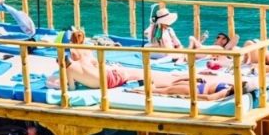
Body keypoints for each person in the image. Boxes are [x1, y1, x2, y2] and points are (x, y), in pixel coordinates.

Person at [46, 29, 182, 90]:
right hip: (111, 74)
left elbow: (71, 87)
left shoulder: (71, 66)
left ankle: (178, 80)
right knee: (144, 74)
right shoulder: (87, 50)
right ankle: (179, 78)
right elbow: (96, 64)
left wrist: (57, 86)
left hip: (106, 81)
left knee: (147, 79)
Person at [146, 77, 254, 100]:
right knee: (172, 85)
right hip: (201, 85)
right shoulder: (230, 87)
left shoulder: (225, 92)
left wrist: (193, 96)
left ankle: (144, 91)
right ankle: (150, 86)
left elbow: (209, 98)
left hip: (198, 90)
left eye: (241, 83)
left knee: (168, 91)